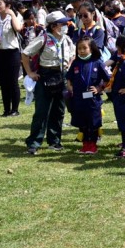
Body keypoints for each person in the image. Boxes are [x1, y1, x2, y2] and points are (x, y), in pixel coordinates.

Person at [22, 11, 76, 155]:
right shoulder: (43, 38)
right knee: (42, 111)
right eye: (63, 23)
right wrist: (30, 73)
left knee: (58, 111)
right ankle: (34, 142)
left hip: (62, 75)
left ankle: (55, 141)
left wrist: (69, 64)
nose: (66, 25)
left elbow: (73, 54)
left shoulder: (67, 39)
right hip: (46, 75)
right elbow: (25, 53)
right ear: (53, 26)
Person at [67, 38, 109, 155]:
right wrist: (70, 88)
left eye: (84, 48)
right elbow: (69, 78)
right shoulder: (75, 63)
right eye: (79, 48)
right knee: (82, 123)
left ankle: (93, 144)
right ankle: (85, 144)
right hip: (79, 100)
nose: (81, 51)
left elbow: (107, 79)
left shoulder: (98, 62)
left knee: (93, 123)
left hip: (92, 100)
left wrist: (99, 88)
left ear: (91, 48)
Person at [0, 0, 23, 117]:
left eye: (0, 4)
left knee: (12, 82)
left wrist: (12, 14)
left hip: (12, 53)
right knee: (3, 82)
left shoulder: (13, 17)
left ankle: (15, 109)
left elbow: (18, 28)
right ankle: (6, 109)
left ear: (8, 6)